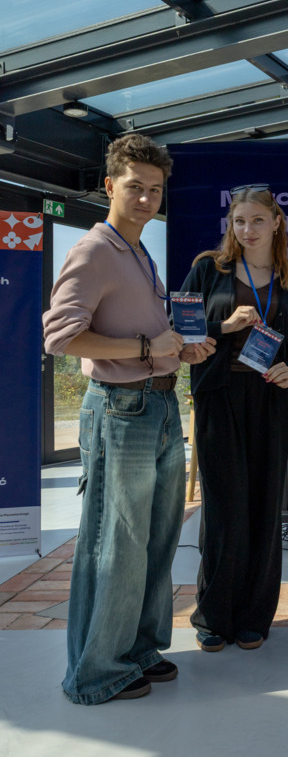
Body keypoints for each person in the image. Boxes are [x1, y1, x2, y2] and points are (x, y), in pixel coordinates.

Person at [43, 133, 215, 704]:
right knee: (114, 543)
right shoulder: (95, 250)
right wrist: (146, 348)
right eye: (135, 187)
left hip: (160, 404)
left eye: (155, 190)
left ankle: (138, 649)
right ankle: (95, 673)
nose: (146, 198)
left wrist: (177, 351)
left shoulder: (139, 253)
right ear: (109, 186)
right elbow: (60, 336)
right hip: (121, 410)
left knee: (158, 539)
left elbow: (146, 336)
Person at [179, 185, 288, 652]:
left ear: (276, 223)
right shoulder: (207, 269)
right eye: (239, 221)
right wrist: (226, 325)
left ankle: (254, 615)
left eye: (257, 220)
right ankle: (214, 615)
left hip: (268, 399)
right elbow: (181, 329)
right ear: (230, 225)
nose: (247, 230)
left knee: (263, 505)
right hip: (219, 396)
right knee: (222, 506)